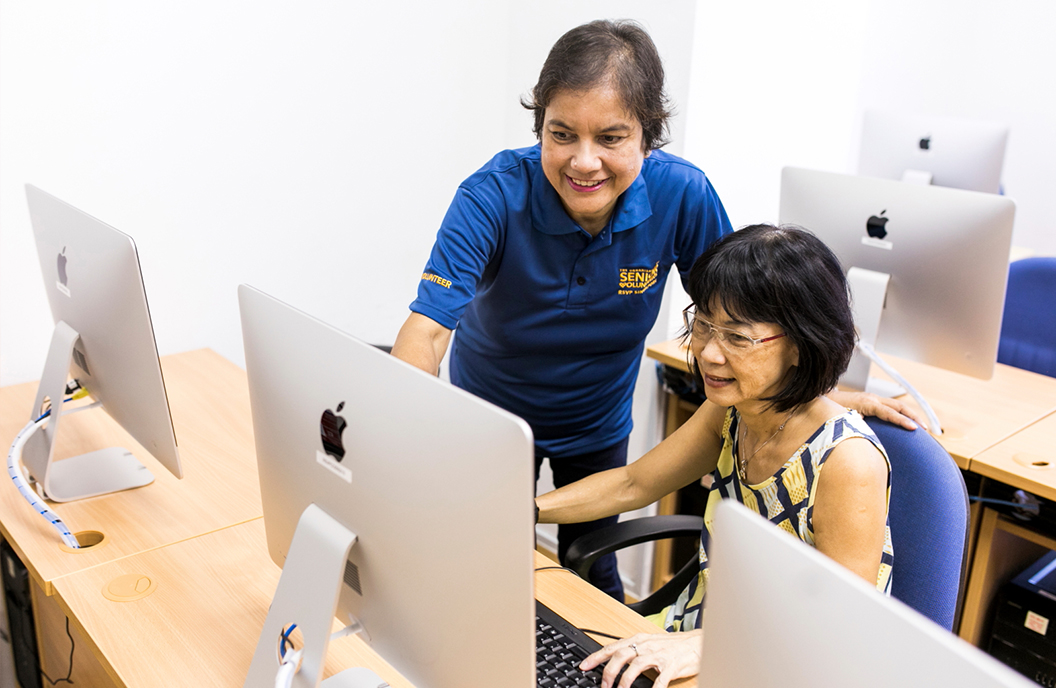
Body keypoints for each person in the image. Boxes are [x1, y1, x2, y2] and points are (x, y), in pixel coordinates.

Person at [391, 20, 920, 602]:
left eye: (611, 138)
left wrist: (828, 394)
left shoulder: (682, 195)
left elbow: (749, 321)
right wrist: (405, 440)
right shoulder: (492, 195)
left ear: (649, 135)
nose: (583, 162)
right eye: (560, 134)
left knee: (590, 582)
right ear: (539, 126)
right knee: (466, 569)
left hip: (597, 422)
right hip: (490, 416)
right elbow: (427, 332)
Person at [537, 224, 895, 688]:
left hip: (792, 662)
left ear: (800, 345)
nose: (708, 352)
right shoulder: (734, 409)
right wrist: (525, 512)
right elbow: (634, 484)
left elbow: (842, 622)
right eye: (704, 325)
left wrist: (702, 645)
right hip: (698, 635)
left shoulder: (847, 461)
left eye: (737, 337)